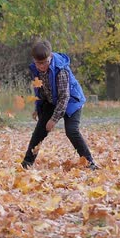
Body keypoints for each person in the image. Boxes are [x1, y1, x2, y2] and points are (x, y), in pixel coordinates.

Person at [21, 38, 98, 170]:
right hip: (52, 101)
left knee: (72, 131)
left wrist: (54, 119)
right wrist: (37, 107)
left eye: (44, 63)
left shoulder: (60, 70)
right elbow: (40, 90)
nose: (41, 66)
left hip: (72, 101)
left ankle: (90, 163)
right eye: (38, 63)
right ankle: (27, 163)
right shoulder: (35, 69)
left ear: (50, 56)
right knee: (39, 131)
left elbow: (64, 97)